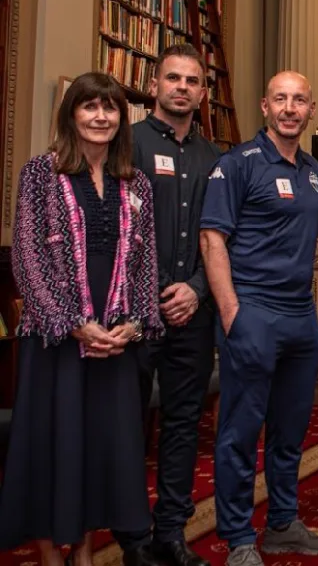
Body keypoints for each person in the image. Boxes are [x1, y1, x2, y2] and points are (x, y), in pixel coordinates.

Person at [0, 72, 164, 566]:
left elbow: (146, 262)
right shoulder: (40, 173)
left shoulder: (135, 182)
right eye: (89, 106)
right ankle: (53, 553)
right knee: (55, 444)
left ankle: (85, 549)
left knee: (100, 448)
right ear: (71, 114)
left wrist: (134, 324)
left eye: (110, 108)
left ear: (122, 118)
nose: (100, 116)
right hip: (56, 339)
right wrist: (72, 323)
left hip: (114, 340)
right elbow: (27, 258)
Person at [200, 71, 318, 566]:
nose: (289, 108)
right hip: (253, 312)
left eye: (299, 100)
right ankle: (239, 537)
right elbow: (212, 240)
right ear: (265, 106)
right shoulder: (237, 164)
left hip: (300, 316)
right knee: (240, 432)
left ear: (311, 110)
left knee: (290, 431)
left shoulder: (313, 171)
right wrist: (232, 315)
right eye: (280, 99)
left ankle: (282, 523)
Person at [112, 43, 220, 566]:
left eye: (192, 81)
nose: (182, 87)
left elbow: (222, 234)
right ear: (154, 85)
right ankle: (133, 537)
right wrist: (156, 291)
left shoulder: (215, 159)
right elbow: (115, 228)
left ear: (202, 93)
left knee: (182, 424)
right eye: (173, 78)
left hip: (192, 314)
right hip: (134, 313)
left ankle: (171, 533)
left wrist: (196, 289)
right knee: (128, 425)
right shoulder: (124, 145)